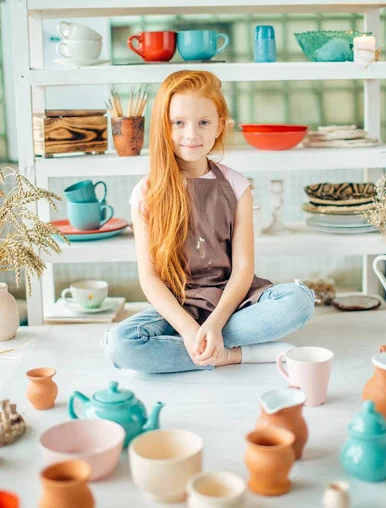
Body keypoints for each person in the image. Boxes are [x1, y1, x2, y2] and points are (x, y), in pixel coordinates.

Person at [104, 70, 314, 373]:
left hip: (234, 303)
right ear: (164, 126)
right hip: (178, 310)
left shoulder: (236, 185)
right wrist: (190, 330)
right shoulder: (146, 194)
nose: (192, 134)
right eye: (179, 123)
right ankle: (236, 353)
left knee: (299, 302)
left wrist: (215, 324)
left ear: (219, 125)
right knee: (120, 344)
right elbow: (149, 279)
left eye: (203, 122)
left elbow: (243, 270)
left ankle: (212, 348)